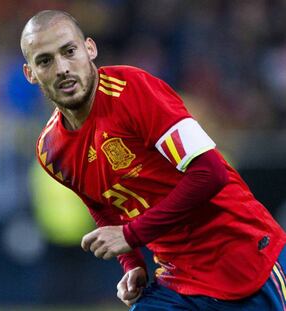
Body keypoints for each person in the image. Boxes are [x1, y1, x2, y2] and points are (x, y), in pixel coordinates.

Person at [20, 10, 286, 310]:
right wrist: (132, 263)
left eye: (69, 52)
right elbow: (102, 205)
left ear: (90, 49)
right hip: (176, 279)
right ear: (30, 73)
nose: (62, 68)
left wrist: (131, 235)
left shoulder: (135, 91)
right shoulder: (51, 150)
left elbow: (210, 173)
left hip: (243, 259)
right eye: (45, 60)